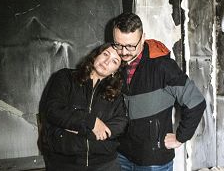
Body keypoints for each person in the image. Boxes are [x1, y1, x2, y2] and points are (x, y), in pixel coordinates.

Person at [111, 12, 207, 170]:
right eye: (118, 44)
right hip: (122, 154)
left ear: (143, 38)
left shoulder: (164, 66)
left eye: (130, 46)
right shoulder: (115, 62)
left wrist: (180, 137)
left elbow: (196, 102)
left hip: (153, 160)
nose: (124, 52)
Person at [38, 43, 128, 171]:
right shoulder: (66, 77)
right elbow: (53, 110)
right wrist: (91, 121)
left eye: (114, 61)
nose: (107, 62)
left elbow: (120, 125)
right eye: (105, 54)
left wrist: (80, 129)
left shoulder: (116, 94)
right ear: (96, 55)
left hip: (105, 164)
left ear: (115, 71)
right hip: (64, 163)